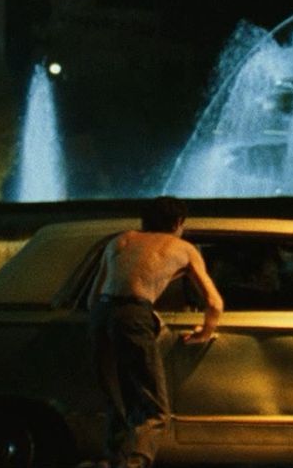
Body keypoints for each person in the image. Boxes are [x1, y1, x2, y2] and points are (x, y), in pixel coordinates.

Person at [88, 196, 222, 468]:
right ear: (179, 222)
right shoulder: (182, 248)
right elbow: (214, 303)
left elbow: (94, 297)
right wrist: (204, 332)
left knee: (117, 401)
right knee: (154, 412)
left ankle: (113, 460)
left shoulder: (120, 241)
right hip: (134, 316)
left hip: (101, 315)